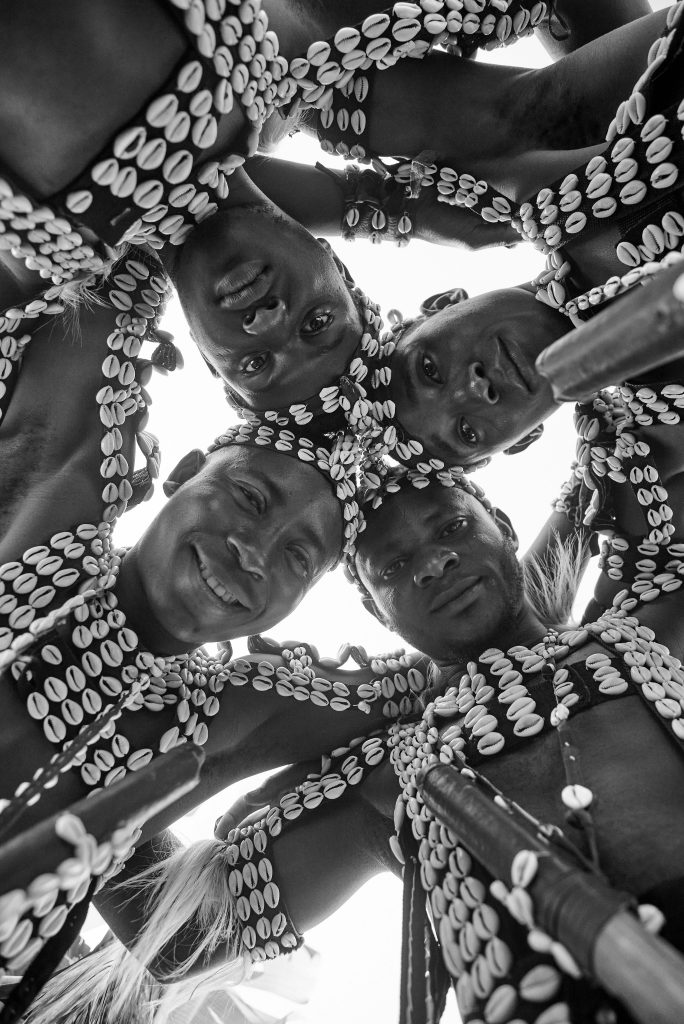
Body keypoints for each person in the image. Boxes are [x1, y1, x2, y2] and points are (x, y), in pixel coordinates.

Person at [30, 363, 684, 1024]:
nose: (433, 562)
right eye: (394, 568)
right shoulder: (389, 779)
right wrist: (97, 763)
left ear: (504, 528)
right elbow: (179, 937)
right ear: (379, 615)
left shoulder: (650, 628)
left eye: (453, 529)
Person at [0, 0, 667, 425]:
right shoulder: (282, 70)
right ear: (339, 269)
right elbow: (541, 107)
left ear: (207, 357)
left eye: (254, 365)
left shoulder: (53, 266)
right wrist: (392, 208)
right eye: (317, 324)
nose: (268, 323)